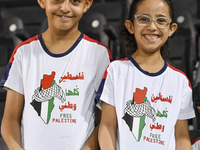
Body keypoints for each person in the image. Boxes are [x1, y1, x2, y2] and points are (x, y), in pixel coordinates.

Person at [0, 0, 112, 150]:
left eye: (75, 1)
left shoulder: (99, 54)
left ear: (87, 4)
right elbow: (10, 118)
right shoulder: (23, 52)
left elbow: (105, 121)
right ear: (41, 1)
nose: (65, 8)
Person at [96, 0, 195, 149]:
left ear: (171, 29)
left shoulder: (180, 81)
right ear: (130, 26)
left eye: (161, 20)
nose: (152, 27)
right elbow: (107, 127)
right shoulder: (116, 71)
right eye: (143, 19)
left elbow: (181, 137)